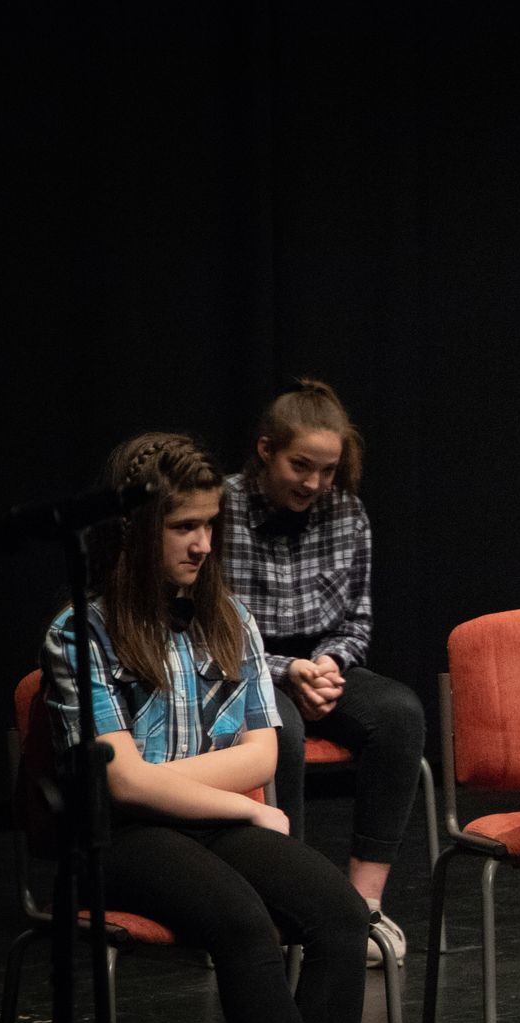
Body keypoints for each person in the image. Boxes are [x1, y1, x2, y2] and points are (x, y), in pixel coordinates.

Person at [40, 433, 413, 1023]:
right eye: (184, 526)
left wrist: (190, 781)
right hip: (119, 839)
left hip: (199, 822)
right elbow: (123, 783)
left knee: (340, 914)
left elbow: (262, 753)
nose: (204, 542)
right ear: (138, 529)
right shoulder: (81, 632)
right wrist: (239, 805)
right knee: (242, 920)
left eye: (209, 523)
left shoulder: (227, 618)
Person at [222, 379, 427, 967]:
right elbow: (214, 632)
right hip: (244, 670)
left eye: (328, 470)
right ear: (266, 451)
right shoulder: (223, 509)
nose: (314, 483)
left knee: (399, 713)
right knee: (278, 732)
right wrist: (287, 671)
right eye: (301, 466)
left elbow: (357, 620)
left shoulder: (348, 513)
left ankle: (363, 906)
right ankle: (290, 901)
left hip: (320, 664)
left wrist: (328, 665)